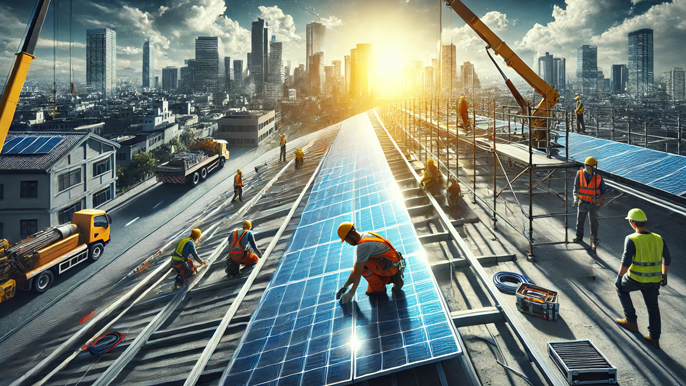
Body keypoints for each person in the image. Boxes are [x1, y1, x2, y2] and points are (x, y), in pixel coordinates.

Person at [615, 209, 671, 349]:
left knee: (620, 288)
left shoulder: (631, 239)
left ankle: (631, 321)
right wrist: (664, 275)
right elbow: (668, 259)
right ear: (644, 222)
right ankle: (654, 338)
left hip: (635, 279)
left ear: (632, 222)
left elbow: (626, 262)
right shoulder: (658, 238)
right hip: (654, 281)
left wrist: (619, 277)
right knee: (653, 308)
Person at [335, 222, 405, 304]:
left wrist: (351, 292)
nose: (348, 243)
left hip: (390, 267)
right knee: (360, 262)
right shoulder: (367, 234)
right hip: (396, 263)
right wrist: (345, 286)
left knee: (364, 267)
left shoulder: (363, 245)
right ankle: (394, 278)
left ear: (349, 236)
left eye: (346, 241)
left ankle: (379, 288)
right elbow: (356, 268)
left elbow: (358, 272)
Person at [573, 156, 606, 250]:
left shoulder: (598, 177)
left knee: (594, 222)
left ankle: (594, 239)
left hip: (593, 204)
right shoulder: (579, 174)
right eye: (586, 166)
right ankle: (579, 237)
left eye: (589, 166)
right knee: (580, 221)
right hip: (582, 202)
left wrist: (599, 202)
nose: (587, 167)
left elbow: (603, 191)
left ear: (593, 167)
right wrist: (575, 199)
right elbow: (575, 189)